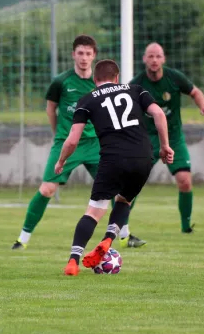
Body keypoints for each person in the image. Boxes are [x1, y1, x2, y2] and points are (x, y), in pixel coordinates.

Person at [11, 35, 147, 249]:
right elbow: (50, 108)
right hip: (69, 143)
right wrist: (59, 134)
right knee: (47, 189)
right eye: (80, 53)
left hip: (96, 145)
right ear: (73, 54)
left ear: (94, 56)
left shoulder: (102, 84)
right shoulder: (61, 82)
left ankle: (124, 235)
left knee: (122, 189)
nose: (84, 58)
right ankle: (22, 239)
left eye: (88, 54)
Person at [57, 59, 174, 276]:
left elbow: (72, 140)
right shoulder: (136, 90)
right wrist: (165, 146)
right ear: (117, 78)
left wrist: (61, 161)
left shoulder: (87, 100)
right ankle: (108, 240)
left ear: (95, 79)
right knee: (124, 200)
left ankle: (73, 261)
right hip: (143, 157)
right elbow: (158, 114)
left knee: (94, 211)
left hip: (113, 159)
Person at [121, 43, 204, 240]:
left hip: (173, 137)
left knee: (184, 181)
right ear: (144, 59)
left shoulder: (174, 77)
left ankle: (186, 227)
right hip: (146, 139)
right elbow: (123, 106)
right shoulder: (137, 83)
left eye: (158, 56)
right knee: (131, 184)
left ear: (163, 59)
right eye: (150, 56)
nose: (154, 60)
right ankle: (119, 227)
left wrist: (203, 106)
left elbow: (195, 92)